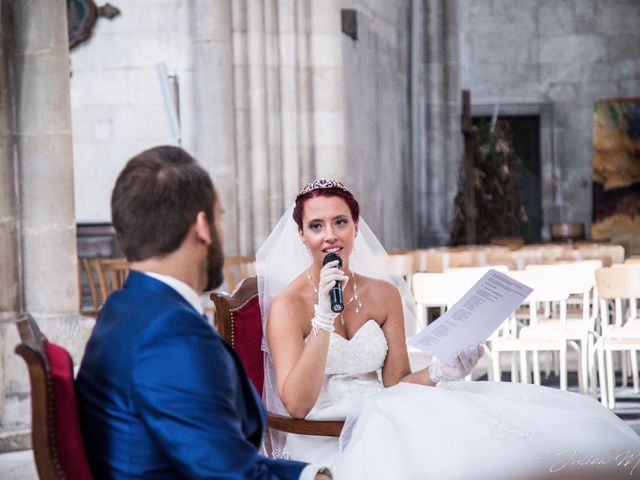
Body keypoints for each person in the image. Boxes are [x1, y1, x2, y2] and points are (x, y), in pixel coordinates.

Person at [257, 178, 640, 479]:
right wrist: (323, 317)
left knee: (473, 426)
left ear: (356, 227)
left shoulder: (383, 294)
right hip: (325, 431)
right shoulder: (289, 305)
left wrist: (439, 371)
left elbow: (395, 383)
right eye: (316, 225)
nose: (330, 235)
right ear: (302, 235)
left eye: (340, 222)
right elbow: (297, 404)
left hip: (383, 406)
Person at [76, 146, 331, 479]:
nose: (221, 233)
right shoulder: (172, 335)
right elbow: (230, 476)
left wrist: (312, 473)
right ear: (202, 226)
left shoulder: (122, 308)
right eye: (220, 217)